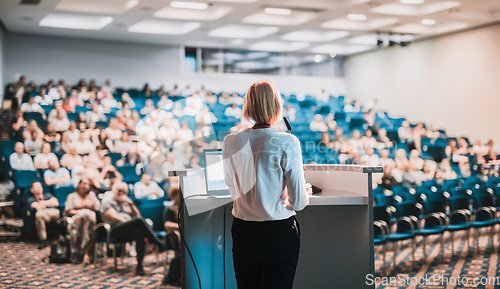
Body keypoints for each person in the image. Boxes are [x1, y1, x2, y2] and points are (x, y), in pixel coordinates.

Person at [222, 80, 311, 289]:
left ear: (248, 106)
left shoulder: (230, 141)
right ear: (276, 106)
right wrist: (296, 196)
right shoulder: (288, 141)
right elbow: (298, 202)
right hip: (278, 232)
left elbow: (231, 186)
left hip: (243, 231)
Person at [101, 181, 165, 276]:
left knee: (139, 231)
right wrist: (131, 223)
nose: (121, 194)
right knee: (138, 222)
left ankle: (139, 265)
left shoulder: (125, 202)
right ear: (113, 190)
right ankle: (156, 242)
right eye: (119, 191)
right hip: (115, 230)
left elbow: (137, 215)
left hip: (128, 229)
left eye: (124, 192)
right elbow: (114, 217)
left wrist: (130, 203)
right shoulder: (107, 201)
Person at [65, 178, 101, 263]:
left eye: (87, 184)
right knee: (85, 215)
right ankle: (79, 253)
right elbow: (69, 211)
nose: (85, 186)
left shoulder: (91, 195)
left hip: (90, 222)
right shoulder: (72, 196)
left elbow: (97, 207)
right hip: (77, 219)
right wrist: (81, 212)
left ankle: (86, 253)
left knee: (89, 219)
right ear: (79, 185)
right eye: (83, 183)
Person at [28, 181, 59, 249]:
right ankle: (43, 239)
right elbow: (38, 208)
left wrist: (43, 203)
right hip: (43, 214)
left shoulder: (47, 194)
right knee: (38, 215)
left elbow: (56, 203)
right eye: (37, 187)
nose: (39, 188)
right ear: (32, 190)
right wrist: (49, 203)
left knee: (62, 213)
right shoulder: (31, 199)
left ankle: (63, 236)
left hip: (54, 212)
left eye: (40, 186)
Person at [162, 187, 181, 285]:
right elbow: (167, 224)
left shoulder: (185, 208)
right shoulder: (170, 209)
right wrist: (181, 227)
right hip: (174, 238)